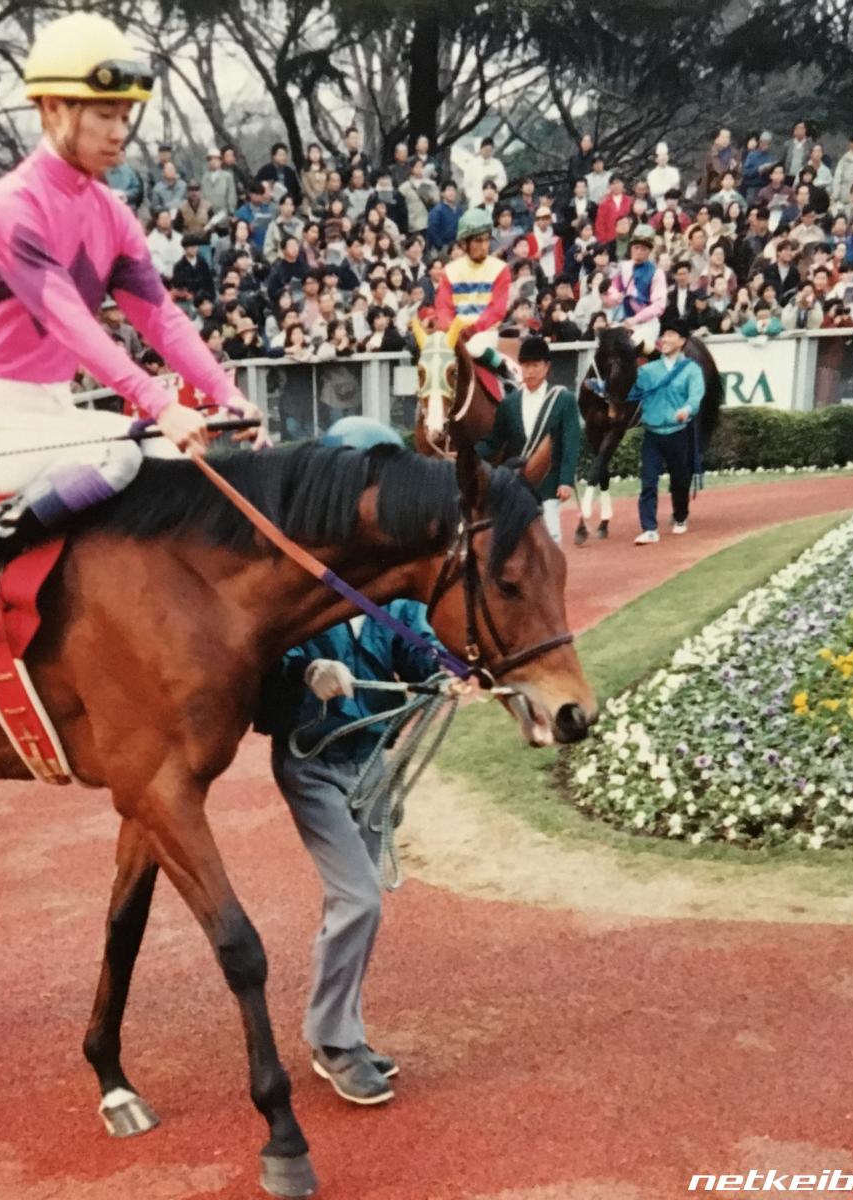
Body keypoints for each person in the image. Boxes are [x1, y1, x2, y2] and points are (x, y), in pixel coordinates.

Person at [0, 13, 266, 632]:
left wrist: (226, 394)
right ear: (54, 109)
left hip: (55, 413)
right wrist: (159, 403)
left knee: (177, 458)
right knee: (119, 457)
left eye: (125, 117)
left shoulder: (111, 211)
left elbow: (160, 318)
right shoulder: (9, 207)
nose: (119, 132)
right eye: (104, 114)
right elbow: (70, 323)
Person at [253, 416, 471, 1106]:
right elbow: (265, 669)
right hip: (314, 763)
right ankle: (332, 1041)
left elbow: (416, 645)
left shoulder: (387, 586)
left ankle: (342, 1027)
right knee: (358, 899)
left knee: (355, 904)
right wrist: (306, 671)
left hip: (371, 764)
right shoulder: (293, 582)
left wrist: (443, 671)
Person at [473, 336, 580, 543]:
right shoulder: (509, 403)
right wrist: (469, 455)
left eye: (535, 365)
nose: (530, 371)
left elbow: (571, 443)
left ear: (546, 367)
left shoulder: (563, 399)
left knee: (550, 536)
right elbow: (494, 441)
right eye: (525, 366)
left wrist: (566, 481)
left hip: (548, 482)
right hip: (517, 482)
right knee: (517, 539)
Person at [629, 326, 703, 545]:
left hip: (678, 433)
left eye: (671, 335)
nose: (665, 339)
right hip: (652, 433)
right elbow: (630, 391)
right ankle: (649, 528)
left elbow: (696, 396)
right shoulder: (647, 370)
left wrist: (687, 409)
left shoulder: (691, 370)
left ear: (682, 341)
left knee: (680, 480)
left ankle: (680, 516)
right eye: (664, 335)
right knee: (648, 482)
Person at [437, 210, 515, 383]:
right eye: (479, 241)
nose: (484, 246)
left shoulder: (500, 269)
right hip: (456, 334)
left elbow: (496, 310)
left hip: (485, 332)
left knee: (474, 348)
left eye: (487, 240)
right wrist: (453, 329)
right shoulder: (449, 271)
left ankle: (506, 373)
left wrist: (470, 329)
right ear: (464, 244)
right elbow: (443, 309)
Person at [605, 225, 667, 352]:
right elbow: (612, 288)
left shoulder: (657, 273)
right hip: (624, 319)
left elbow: (659, 305)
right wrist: (615, 296)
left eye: (643, 248)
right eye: (636, 247)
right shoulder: (623, 267)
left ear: (649, 251)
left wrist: (636, 319)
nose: (639, 251)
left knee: (632, 347)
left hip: (647, 323)